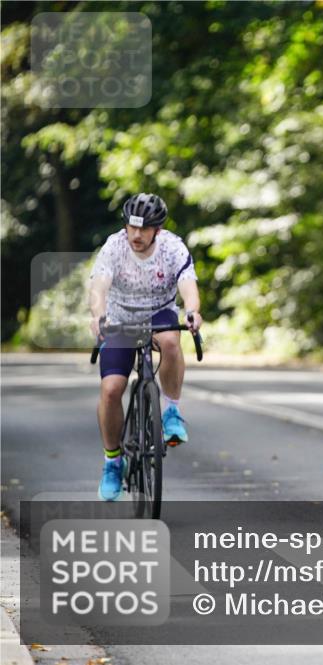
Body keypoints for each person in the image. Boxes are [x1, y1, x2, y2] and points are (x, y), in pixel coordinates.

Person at [89, 193, 202, 501]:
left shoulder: (172, 247)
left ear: (157, 229)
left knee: (169, 339)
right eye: (131, 227)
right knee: (111, 389)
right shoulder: (114, 246)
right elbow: (99, 287)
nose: (136, 235)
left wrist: (192, 310)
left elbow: (188, 285)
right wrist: (99, 316)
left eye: (144, 229)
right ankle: (113, 461)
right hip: (120, 317)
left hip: (158, 312)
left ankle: (171, 412)